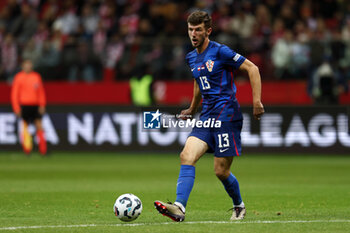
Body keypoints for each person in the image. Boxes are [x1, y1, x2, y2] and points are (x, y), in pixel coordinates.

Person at [154, 11, 264, 222]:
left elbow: (253, 68)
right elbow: (198, 82)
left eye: (198, 30)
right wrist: (192, 108)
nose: (193, 34)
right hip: (206, 116)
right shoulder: (191, 57)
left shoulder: (221, 51)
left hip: (227, 116)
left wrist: (257, 101)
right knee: (187, 155)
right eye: (190, 30)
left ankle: (238, 205)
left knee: (221, 171)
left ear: (208, 31)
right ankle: (179, 207)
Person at [11, 59, 47, 155]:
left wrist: (42, 104)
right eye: (26, 65)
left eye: (30, 65)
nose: (28, 67)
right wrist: (16, 108)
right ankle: (27, 149)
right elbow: (15, 94)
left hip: (35, 105)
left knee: (39, 126)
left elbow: (41, 92)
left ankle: (43, 150)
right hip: (24, 105)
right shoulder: (18, 77)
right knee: (25, 127)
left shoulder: (36, 76)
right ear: (23, 66)